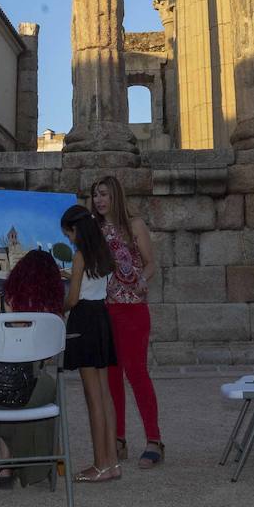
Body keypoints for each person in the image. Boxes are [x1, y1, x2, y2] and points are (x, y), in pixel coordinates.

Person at [0, 249, 66, 488]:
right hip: (31, 395)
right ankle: (37, 464)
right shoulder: (50, 313)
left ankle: (5, 467)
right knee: (42, 386)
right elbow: (53, 354)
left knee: (3, 383)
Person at [90, 175, 165, 468]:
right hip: (103, 309)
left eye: (104, 194)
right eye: (95, 195)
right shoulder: (93, 230)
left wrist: (142, 281)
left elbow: (150, 263)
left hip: (132, 308)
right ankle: (118, 439)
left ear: (115, 196)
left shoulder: (135, 226)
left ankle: (154, 440)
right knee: (111, 378)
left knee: (136, 374)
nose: (99, 200)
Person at [59, 204, 120, 482]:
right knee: (105, 395)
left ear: (76, 230)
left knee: (93, 398)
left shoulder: (80, 256)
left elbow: (72, 299)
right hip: (101, 317)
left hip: (83, 319)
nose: (68, 239)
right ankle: (112, 462)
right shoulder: (104, 253)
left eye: (68, 234)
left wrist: (57, 307)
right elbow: (95, 285)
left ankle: (99, 465)